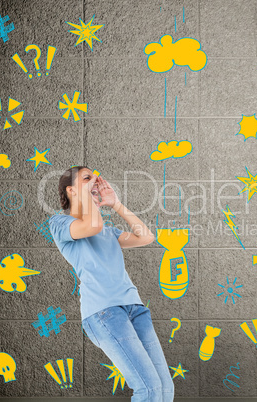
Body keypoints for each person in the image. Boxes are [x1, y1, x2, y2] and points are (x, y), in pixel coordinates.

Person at [49, 166, 175, 402]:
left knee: (164, 388)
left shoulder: (108, 231)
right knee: (147, 389)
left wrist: (115, 204)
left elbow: (146, 237)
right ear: (71, 190)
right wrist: (88, 196)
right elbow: (91, 226)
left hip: (135, 309)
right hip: (104, 313)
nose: (95, 182)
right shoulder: (59, 223)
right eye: (88, 179)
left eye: (95, 179)